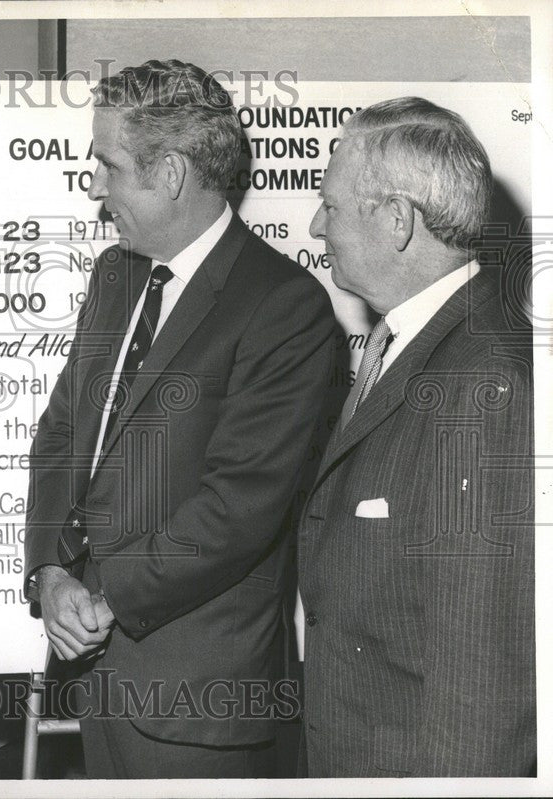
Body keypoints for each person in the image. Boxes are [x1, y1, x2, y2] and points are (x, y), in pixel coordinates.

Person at [23, 60, 336, 779]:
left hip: (198, 705)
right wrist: (48, 572)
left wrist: (104, 599)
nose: (93, 185)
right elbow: (64, 432)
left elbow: (238, 507)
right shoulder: (116, 275)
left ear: (167, 174)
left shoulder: (283, 307)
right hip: (98, 682)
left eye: (106, 164)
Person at [298, 97, 535, 776]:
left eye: (332, 206)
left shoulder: (487, 384)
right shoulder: (410, 347)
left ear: (398, 220)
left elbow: (484, 692)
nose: (316, 225)